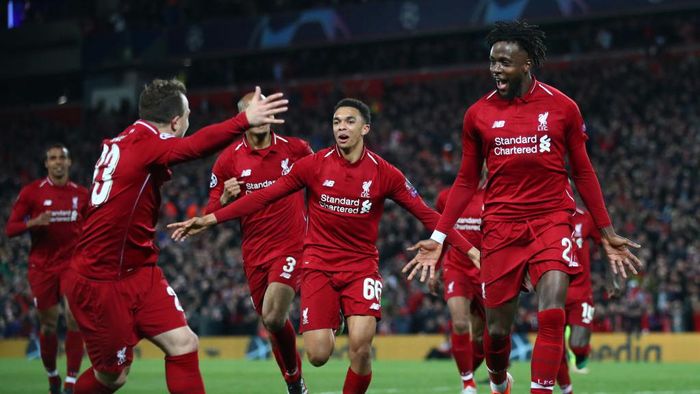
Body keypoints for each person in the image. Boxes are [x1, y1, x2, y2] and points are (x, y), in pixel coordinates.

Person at [168, 98, 480, 394]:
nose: (341, 127)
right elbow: (265, 195)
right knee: (318, 354)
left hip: (361, 267)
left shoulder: (385, 173)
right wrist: (212, 219)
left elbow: (427, 212)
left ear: (365, 129)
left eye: (349, 121)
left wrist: (470, 250)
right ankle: (334, 321)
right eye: (336, 122)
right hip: (318, 266)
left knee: (361, 347)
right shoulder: (313, 165)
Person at [403, 21, 642, 394]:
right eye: (493, 62)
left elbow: (582, 171)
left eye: (504, 62)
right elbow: (466, 181)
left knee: (551, 314)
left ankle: (542, 389)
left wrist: (607, 231)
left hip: (552, 220)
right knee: (497, 332)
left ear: (527, 63)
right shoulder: (477, 115)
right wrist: (437, 236)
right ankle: (499, 380)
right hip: (499, 226)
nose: (496, 69)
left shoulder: (563, 108)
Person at [62, 79, 288, 394]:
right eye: (189, 115)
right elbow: (194, 147)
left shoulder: (129, 140)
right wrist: (244, 121)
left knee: (183, 343)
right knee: (113, 376)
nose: (189, 123)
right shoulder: (146, 143)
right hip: (102, 280)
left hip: (138, 269)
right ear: (175, 121)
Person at [206, 91, 313, 394]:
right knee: (272, 323)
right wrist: (225, 199)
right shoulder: (228, 160)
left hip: (292, 245)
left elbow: (322, 186)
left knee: (273, 315)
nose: (259, 116)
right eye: (253, 111)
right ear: (242, 119)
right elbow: (210, 215)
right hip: (254, 254)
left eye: (264, 109)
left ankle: (295, 380)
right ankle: (294, 382)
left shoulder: (296, 150)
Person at [5, 144, 88, 394]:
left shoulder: (82, 195)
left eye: (62, 157)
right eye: (53, 158)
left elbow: (95, 225)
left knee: (75, 319)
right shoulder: (32, 193)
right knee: (48, 325)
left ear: (69, 162)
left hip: (73, 265)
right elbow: (11, 229)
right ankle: (52, 375)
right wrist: (34, 222)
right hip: (42, 267)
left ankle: (71, 381)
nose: (58, 162)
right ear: (46, 164)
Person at [429, 179, 486, 394]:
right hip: (456, 267)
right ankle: (468, 383)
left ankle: (481, 372)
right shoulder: (446, 197)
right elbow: (440, 234)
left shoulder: (494, 195)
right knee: (460, 323)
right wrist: (434, 267)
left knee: (483, 336)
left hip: (484, 270)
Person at [556, 206, 605, 393]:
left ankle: (582, 353)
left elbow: (604, 244)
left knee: (577, 344)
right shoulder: (543, 215)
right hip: (554, 291)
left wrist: (612, 278)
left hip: (582, 292)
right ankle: (567, 389)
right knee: (555, 346)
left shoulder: (585, 217)